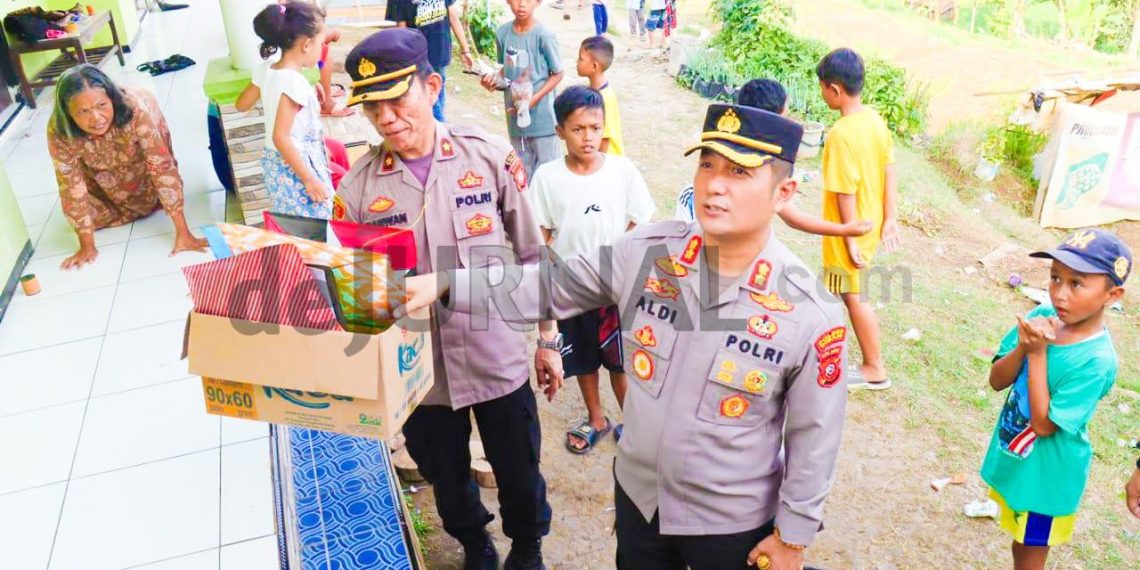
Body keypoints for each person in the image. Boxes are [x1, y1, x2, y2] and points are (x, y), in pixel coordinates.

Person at [401, 103, 849, 570]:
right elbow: (549, 286)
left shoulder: (808, 312)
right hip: (640, 500)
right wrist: (450, 282)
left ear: (784, 192)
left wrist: (792, 539)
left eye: (740, 172)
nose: (715, 185)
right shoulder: (648, 253)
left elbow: (814, 436)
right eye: (707, 164)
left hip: (729, 525)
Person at [333, 29, 556, 570]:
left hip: (494, 352)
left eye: (397, 98)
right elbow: (354, 292)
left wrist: (549, 341)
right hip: (420, 372)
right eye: (372, 106)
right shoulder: (358, 189)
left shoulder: (488, 158)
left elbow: (533, 255)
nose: (386, 117)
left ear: (432, 86)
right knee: (445, 474)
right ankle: (474, 545)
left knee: (520, 469)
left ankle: (526, 548)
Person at [981, 229, 1131, 570]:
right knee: (1020, 547)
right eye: (1055, 278)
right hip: (1020, 463)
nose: (1059, 293)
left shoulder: (1097, 361)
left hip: (1048, 477)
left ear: (1112, 294)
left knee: (1031, 552)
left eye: (1076, 283)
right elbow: (996, 380)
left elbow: (1045, 425)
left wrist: (1037, 355)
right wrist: (1023, 345)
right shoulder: (1041, 315)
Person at [531, 86, 655, 454]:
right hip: (572, 289)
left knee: (621, 363)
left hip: (617, 288)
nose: (588, 137)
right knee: (583, 358)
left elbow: (641, 220)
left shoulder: (621, 170)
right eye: (578, 129)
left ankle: (634, 428)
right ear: (559, 132)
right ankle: (596, 417)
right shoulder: (547, 177)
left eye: (595, 128)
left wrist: (620, 255)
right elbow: (541, 237)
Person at [47, 65, 206, 270]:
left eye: (102, 105)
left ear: (112, 99)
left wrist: (183, 233)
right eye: (83, 111)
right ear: (68, 114)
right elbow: (70, 185)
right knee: (88, 218)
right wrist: (87, 246)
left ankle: (155, 204)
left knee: (158, 185)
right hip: (100, 176)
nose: (96, 118)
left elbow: (161, 166)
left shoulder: (135, 109)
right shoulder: (59, 130)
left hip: (141, 163)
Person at [675, 79, 872, 240]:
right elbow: (794, 218)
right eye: (707, 165)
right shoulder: (763, 179)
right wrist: (845, 230)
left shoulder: (690, 193)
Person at [816, 48, 899, 391]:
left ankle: (874, 367)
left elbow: (844, 192)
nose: (822, 93)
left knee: (854, 295)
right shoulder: (874, 120)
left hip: (847, 229)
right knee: (835, 292)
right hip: (869, 223)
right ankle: (829, 352)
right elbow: (889, 169)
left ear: (834, 90)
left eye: (822, 87)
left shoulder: (841, 133)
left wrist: (848, 240)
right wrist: (890, 218)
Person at [234, 1, 333, 219]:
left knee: (293, 220)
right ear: (306, 45)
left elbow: (241, 104)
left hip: (275, 164)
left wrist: (303, 84)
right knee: (314, 222)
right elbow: (281, 136)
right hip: (296, 167)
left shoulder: (266, 69)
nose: (322, 49)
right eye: (321, 43)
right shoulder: (293, 83)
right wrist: (309, 179)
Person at [480, 0, 565, 178]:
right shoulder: (503, 33)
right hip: (516, 121)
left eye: (528, 0)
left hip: (543, 122)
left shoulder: (544, 36)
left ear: (538, 2)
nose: (521, 5)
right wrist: (493, 80)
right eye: (517, 0)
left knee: (549, 176)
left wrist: (534, 99)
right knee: (523, 177)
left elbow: (558, 73)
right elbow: (509, 69)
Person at [385, 0, 475, 122]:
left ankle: (438, 131)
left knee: (438, 92)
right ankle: (442, 130)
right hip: (420, 57)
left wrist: (466, 50)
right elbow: (403, 31)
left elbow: (453, 17)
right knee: (431, 95)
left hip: (438, 53)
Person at [576, 35, 624, 155]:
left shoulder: (604, 98)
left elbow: (604, 139)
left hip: (607, 161)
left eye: (581, 59)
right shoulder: (592, 91)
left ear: (594, 66)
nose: (576, 62)